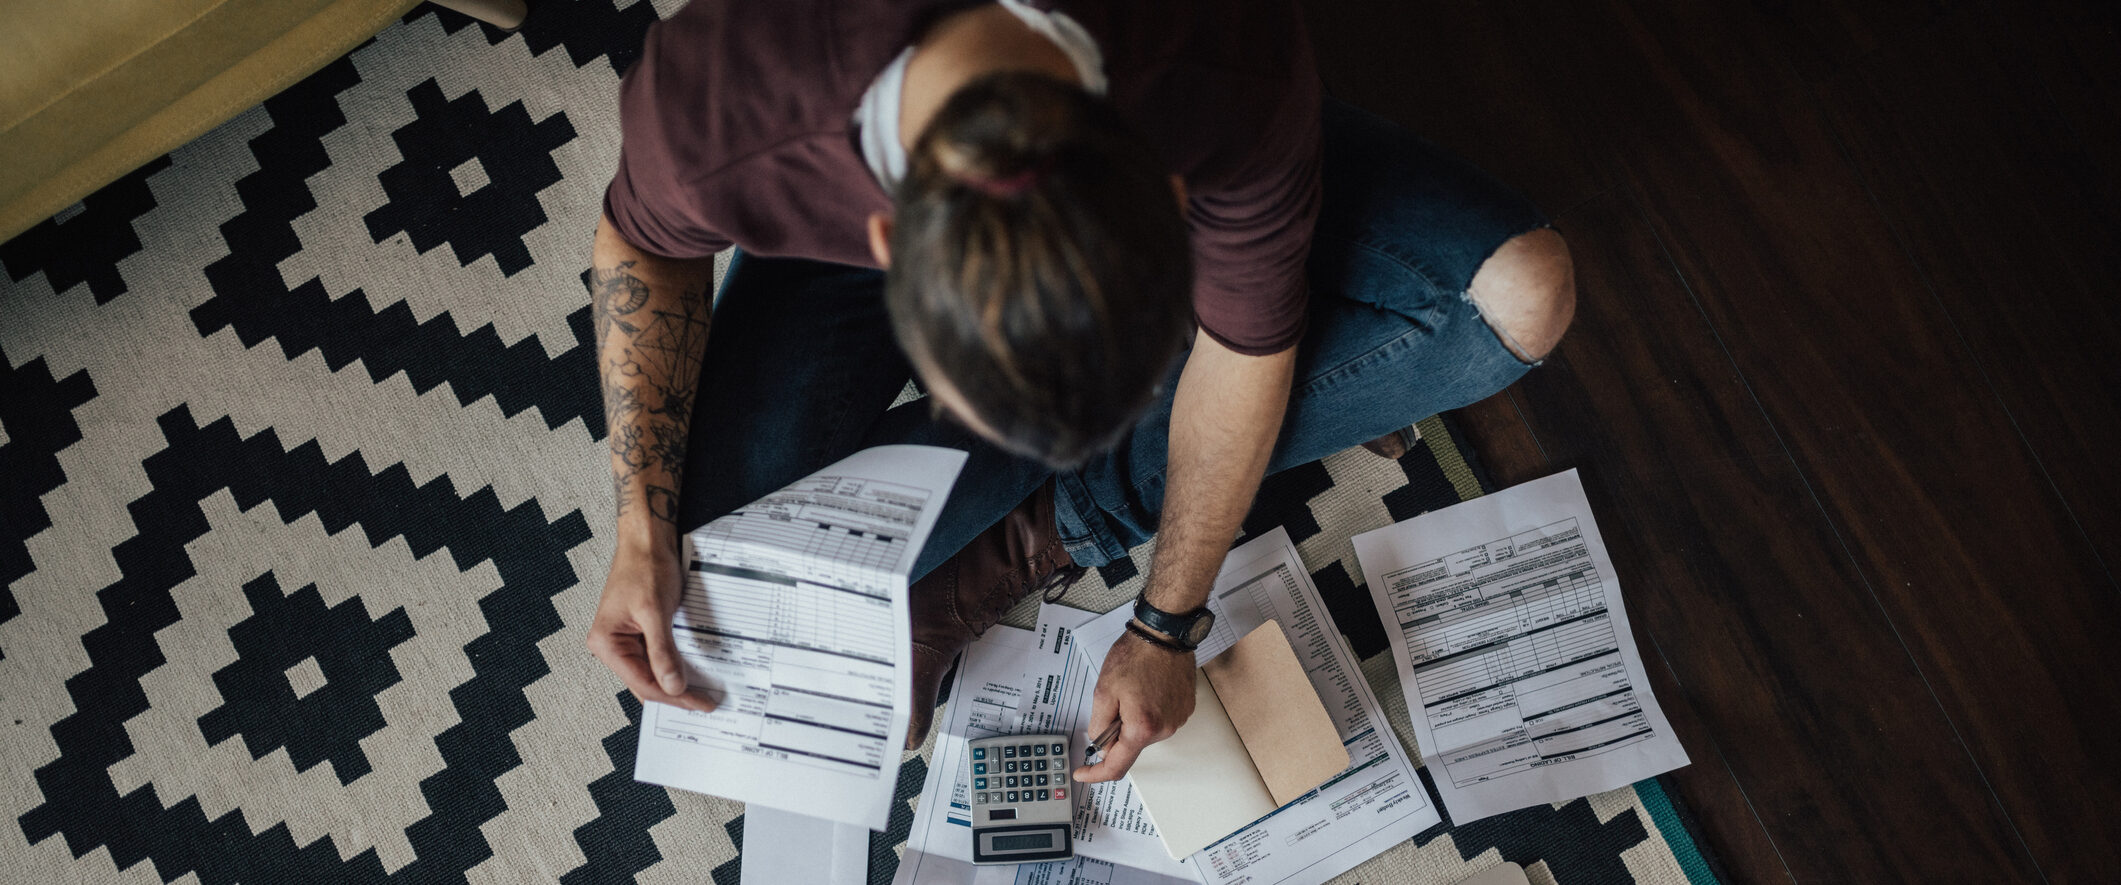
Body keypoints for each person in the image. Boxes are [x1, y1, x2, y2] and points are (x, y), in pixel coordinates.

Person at [584, 0, 1575, 785]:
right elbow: (639, 246)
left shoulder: (1222, 63)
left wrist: (1167, 619)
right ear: (885, 241)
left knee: (1518, 299)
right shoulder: (725, 104)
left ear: (1173, 199)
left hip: (1190, 97)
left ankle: (1045, 530)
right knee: (718, 570)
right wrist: (641, 525)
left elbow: (1246, 351)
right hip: (852, 144)